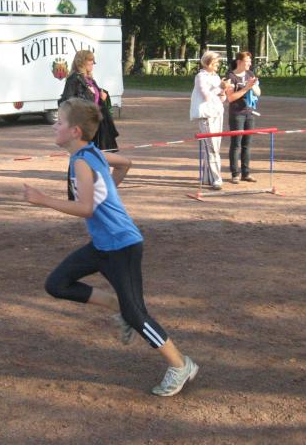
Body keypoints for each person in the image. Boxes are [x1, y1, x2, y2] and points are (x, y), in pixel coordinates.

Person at [23, 98, 198, 397]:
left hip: (122, 246)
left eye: (60, 122)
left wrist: (43, 200)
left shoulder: (81, 160)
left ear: (75, 131)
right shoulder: (92, 153)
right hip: (102, 245)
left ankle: (180, 364)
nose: (54, 126)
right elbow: (126, 163)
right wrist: (108, 192)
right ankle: (118, 306)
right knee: (57, 284)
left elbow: (86, 208)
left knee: (137, 313)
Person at [58, 50, 119, 151]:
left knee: (98, 152)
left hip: (96, 122)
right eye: (89, 60)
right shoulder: (74, 79)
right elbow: (67, 101)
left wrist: (102, 97)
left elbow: (95, 99)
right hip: (84, 123)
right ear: (81, 62)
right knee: (85, 152)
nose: (92, 63)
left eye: (92, 60)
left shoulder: (89, 79)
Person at [190, 51, 227, 190]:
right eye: (215, 62)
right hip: (206, 115)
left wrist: (223, 91)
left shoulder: (216, 76)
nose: (218, 64)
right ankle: (217, 179)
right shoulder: (201, 76)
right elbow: (205, 95)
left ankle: (207, 177)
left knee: (214, 147)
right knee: (212, 148)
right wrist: (220, 88)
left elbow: (221, 98)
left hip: (217, 113)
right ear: (208, 63)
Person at [224, 51, 260, 183]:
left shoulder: (250, 74)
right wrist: (246, 88)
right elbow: (230, 98)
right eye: (247, 61)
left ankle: (246, 173)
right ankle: (235, 174)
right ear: (239, 62)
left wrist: (254, 87)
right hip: (237, 114)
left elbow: (258, 92)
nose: (250, 64)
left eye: (250, 61)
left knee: (247, 145)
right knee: (236, 144)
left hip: (249, 113)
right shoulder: (231, 76)